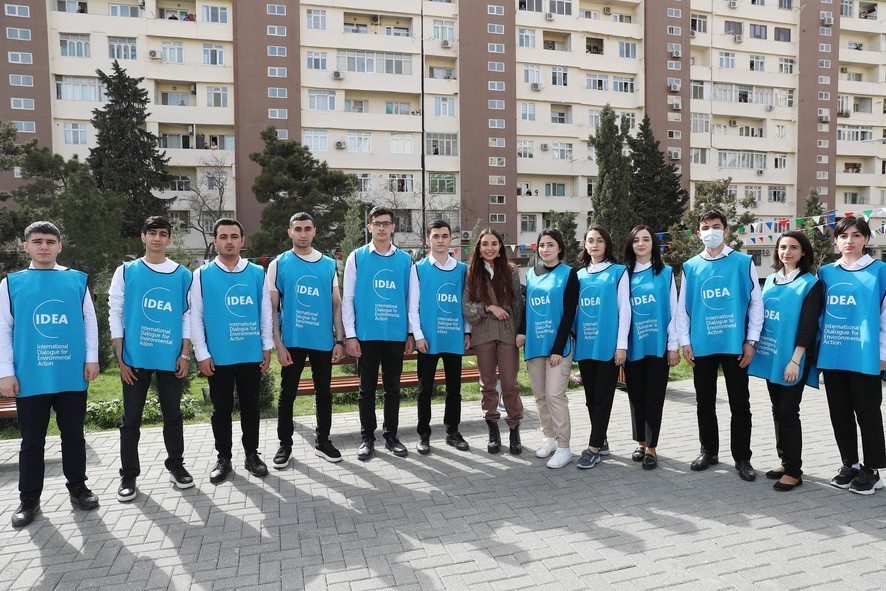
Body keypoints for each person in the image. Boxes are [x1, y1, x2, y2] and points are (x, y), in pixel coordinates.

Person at [1, 221, 100, 527]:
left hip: (70, 372)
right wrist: (5, 373)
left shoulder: (77, 280)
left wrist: (92, 358)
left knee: (74, 436)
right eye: (37, 241)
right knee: (32, 441)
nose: (43, 246)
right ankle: (29, 498)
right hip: (30, 375)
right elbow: (3, 330)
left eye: (49, 241)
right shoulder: (11, 283)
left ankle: (78, 487)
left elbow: (89, 322)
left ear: (59, 246)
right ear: (26, 246)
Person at [109, 216, 194, 503]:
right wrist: (120, 357)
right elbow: (115, 312)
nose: (157, 238)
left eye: (163, 234)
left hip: (170, 357)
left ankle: (176, 466)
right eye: (152, 233)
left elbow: (186, 315)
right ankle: (129, 475)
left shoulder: (182, 274)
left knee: (173, 415)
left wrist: (185, 353)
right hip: (135, 357)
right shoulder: (126, 271)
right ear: (143, 236)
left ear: (169, 239)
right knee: (131, 419)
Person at [676, 209, 763, 481]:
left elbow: (756, 303)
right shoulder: (690, 266)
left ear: (725, 230)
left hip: (735, 344)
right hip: (702, 344)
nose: (710, 231)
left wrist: (751, 340)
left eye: (715, 226)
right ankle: (708, 451)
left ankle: (742, 458)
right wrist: (684, 341)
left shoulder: (743, 262)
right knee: (704, 402)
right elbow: (682, 307)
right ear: (698, 232)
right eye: (705, 227)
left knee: (740, 403)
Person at [190, 218, 273, 484]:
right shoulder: (201, 275)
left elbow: (265, 312)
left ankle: (252, 455)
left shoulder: (257, 273)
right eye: (223, 237)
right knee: (221, 410)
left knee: (251, 407)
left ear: (242, 240)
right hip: (218, 356)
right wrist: (201, 353)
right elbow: (195, 316)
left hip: (250, 352)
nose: (229, 241)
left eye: (234, 236)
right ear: (215, 241)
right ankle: (223, 458)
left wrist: (266, 346)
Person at [268, 212, 345, 468]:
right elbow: (272, 308)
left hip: (323, 341)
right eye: (298, 229)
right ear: (290, 232)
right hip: (292, 341)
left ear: (314, 231)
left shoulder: (328, 264)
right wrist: (278, 344)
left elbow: (336, 304)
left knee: (324, 393)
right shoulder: (278, 264)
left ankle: (323, 442)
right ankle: (285, 445)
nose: (303, 233)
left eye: (307, 229)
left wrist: (339, 340)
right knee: (287, 394)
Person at [748, 231, 823, 492]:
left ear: (803, 252)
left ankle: (794, 471)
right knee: (777, 409)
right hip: (772, 356)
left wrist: (796, 360)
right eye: (782, 247)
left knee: (789, 412)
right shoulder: (770, 279)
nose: (787, 252)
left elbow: (808, 326)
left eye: (793, 247)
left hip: (793, 359)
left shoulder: (811, 284)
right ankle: (785, 460)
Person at [817, 216, 886, 495]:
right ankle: (850, 464)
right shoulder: (826, 272)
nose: (850, 241)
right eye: (844, 236)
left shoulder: (880, 271)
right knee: (840, 413)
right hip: (833, 353)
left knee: (868, 413)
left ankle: (872, 470)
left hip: (865, 355)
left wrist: (883, 354)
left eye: (856, 235)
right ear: (836, 240)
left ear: (866, 239)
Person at [342, 206, 415, 461]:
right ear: (369, 227)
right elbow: (348, 298)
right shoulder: (357, 257)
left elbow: (411, 301)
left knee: (393, 389)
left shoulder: (406, 260)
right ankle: (367, 438)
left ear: (393, 227)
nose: (381, 228)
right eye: (377, 223)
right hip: (366, 335)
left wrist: (410, 333)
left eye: (386, 223)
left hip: (395, 335)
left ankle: (391, 436)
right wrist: (350, 335)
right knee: (367, 390)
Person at [411, 220, 472, 454]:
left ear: (450, 239)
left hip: (453, 337)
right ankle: (423, 434)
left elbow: (466, 304)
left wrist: (467, 332)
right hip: (428, 339)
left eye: (444, 236)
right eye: (435, 236)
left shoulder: (462, 269)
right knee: (424, 389)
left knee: (454, 389)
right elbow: (412, 306)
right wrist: (417, 335)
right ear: (428, 239)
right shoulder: (418, 268)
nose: (440, 240)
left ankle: (452, 432)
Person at [462, 228, 524, 455]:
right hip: (483, 333)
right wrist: (489, 307)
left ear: (500, 247)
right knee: (488, 385)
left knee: (510, 384)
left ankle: (515, 429)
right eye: (485, 244)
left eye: (494, 244)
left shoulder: (511, 270)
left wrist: (519, 331)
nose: (489, 248)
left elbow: (517, 304)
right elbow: (467, 306)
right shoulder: (471, 272)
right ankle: (493, 430)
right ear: (479, 248)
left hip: (507, 333)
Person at [622, 226, 680, 470]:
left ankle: (652, 447)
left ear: (653, 244)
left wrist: (673, 345)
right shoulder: (624, 274)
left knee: (654, 396)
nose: (641, 244)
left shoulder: (665, 273)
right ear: (631, 245)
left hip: (657, 346)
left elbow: (674, 310)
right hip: (632, 345)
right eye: (636, 240)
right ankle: (640, 442)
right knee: (636, 396)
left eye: (646, 239)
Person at [520, 229, 578, 468]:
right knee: (540, 396)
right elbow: (526, 308)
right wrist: (521, 332)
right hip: (535, 344)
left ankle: (564, 447)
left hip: (558, 347)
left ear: (559, 248)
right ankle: (550, 438)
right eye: (542, 245)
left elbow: (569, 314)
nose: (545, 249)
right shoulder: (531, 275)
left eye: (550, 245)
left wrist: (557, 347)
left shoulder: (569, 274)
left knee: (555, 395)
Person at [573, 225, 629, 470]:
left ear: (607, 244)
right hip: (585, 343)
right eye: (590, 240)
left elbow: (624, 310)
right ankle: (602, 440)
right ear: (585, 245)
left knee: (603, 398)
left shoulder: (619, 272)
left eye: (599, 240)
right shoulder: (578, 276)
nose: (594, 245)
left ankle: (593, 448)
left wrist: (621, 345)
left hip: (608, 344)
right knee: (590, 399)